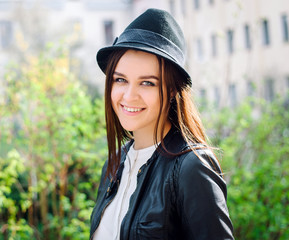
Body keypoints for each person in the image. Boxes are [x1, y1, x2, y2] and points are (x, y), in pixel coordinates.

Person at [90, 8, 234, 240]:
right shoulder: (114, 164)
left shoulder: (191, 167)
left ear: (172, 90)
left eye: (147, 83)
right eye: (120, 79)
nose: (129, 96)